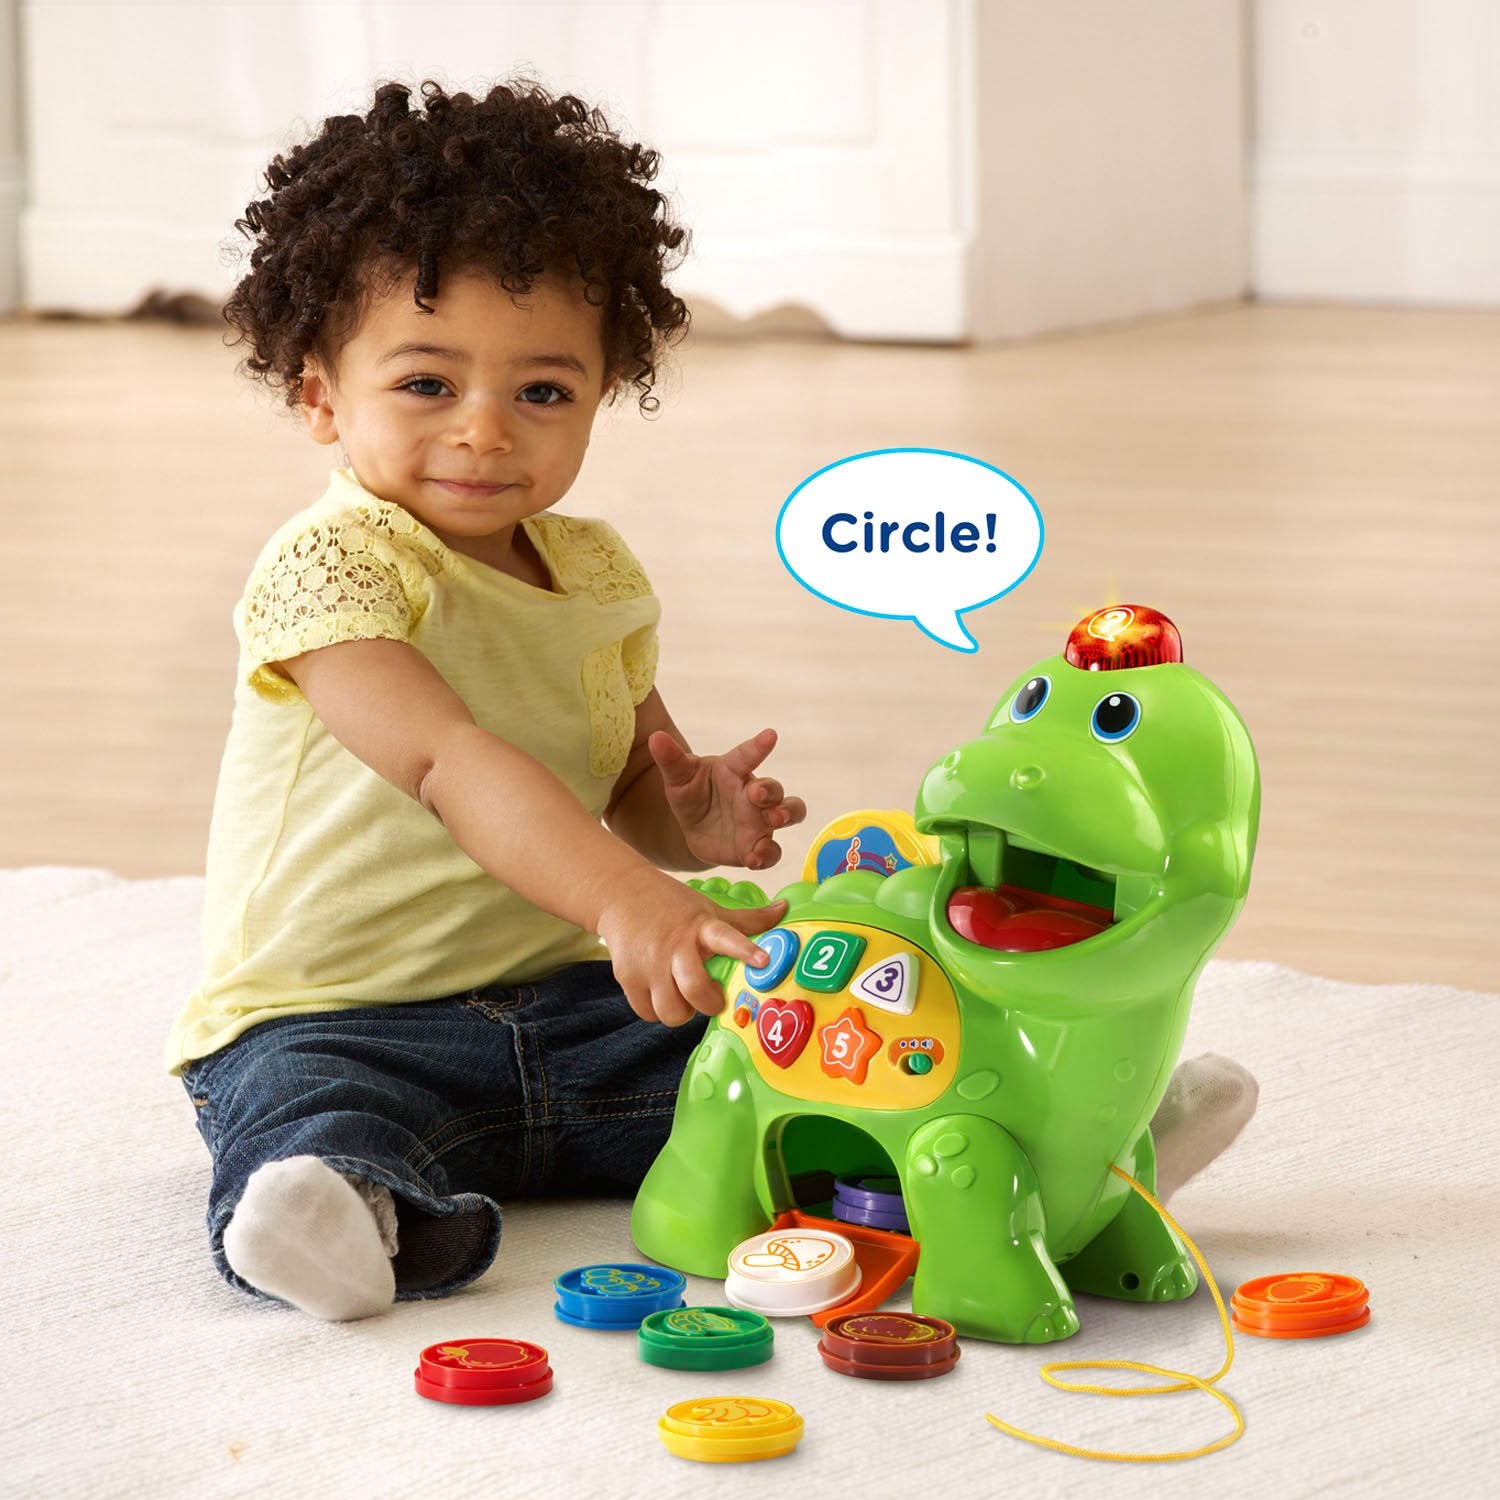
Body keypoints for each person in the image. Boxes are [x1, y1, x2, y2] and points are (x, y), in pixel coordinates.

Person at [167, 77, 1254, 1324]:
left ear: (603, 391)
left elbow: (631, 779)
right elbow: (448, 763)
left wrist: (687, 822)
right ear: (319, 393)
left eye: (542, 392)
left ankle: (1082, 1144)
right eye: (426, 385)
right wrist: (630, 895)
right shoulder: (330, 568)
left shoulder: (595, 576)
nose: (485, 431)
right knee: (312, 1106)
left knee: (777, 1024)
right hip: (334, 1017)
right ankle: (335, 1215)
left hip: (568, 1004)